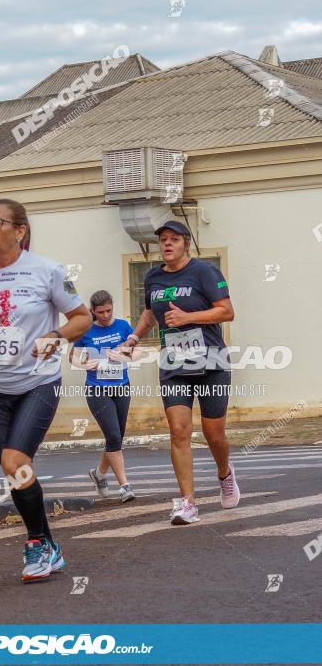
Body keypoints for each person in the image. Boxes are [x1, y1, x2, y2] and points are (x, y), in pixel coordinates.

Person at [0, 199, 91, 583]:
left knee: (14, 462)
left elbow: (80, 317)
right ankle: (50, 545)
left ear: (20, 231)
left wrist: (55, 335)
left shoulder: (47, 271)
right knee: (14, 470)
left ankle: (36, 545)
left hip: (38, 381)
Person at [124, 221, 239, 525]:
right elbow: (150, 312)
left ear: (186, 243)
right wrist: (134, 338)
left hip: (211, 361)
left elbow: (226, 311)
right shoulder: (153, 278)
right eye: (163, 240)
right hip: (174, 364)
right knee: (179, 432)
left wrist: (189, 316)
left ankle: (225, 474)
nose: (167, 244)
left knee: (214, 436)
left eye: (174, 239)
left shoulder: (203, 272)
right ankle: (188, 502)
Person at [70, 290, 135, 503]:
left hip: (122, 386)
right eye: (101, 312)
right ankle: (125, 486)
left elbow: (137, 352)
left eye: (108, 310)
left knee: (116, 437)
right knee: (114, 437)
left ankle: (99, 474)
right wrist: (87, 363)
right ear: (93, 311)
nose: (105, 315)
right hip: (97, 390)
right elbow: (73, 358)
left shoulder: (123, 326)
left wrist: (123, 354)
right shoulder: (86, 330)